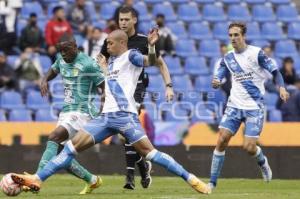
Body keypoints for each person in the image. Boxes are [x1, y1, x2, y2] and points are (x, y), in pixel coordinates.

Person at [10, 29, 211, 195]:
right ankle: (36, 178)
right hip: (106, 118)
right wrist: (105, 69)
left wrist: (150, 46)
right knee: (70, 149)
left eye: (109, 43)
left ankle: (191, 178)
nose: (106, 46)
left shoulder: (130, 56)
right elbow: (111, 86)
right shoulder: (112, 62)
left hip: (125, 117)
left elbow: (150, 61)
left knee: (150, 154)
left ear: (121, 43)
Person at [208, 22, 290, 191]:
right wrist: (216, 81)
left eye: (236, 35)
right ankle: (212, 183)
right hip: (234, 105)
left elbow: (275, 72)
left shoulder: (257, 54)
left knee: (249, 147)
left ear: (243, 36)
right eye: (230, 35)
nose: (233, 38)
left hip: (254, 107)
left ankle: (263, 162)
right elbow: (220, 74)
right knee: (222, 139)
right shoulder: (228, 58)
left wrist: (281, 87)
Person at [101, 6, 174, 190]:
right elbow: (101, 60)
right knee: (125, 134)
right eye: (121, 19)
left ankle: (129, 176)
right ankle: (143, 165)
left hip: (137, 89)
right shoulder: (112, 39)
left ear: (134, 20)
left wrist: (168, 86)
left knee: (126, 131)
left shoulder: (143, 41)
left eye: (126, 19)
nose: (123, 22)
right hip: (117, 91)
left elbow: (159, 63)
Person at [23, 33, 105, 195]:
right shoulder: (61, 59)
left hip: (83, 112)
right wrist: (45, 79)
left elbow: (105, 87)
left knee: (54, 136)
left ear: (75, 46)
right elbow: (54, 69)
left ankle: (36, 178)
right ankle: (92, 180)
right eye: (61, 51)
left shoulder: (88, 64)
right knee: (61, 155)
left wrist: (104, 109)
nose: (63, 54)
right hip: (67, 111)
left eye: (66, 50)